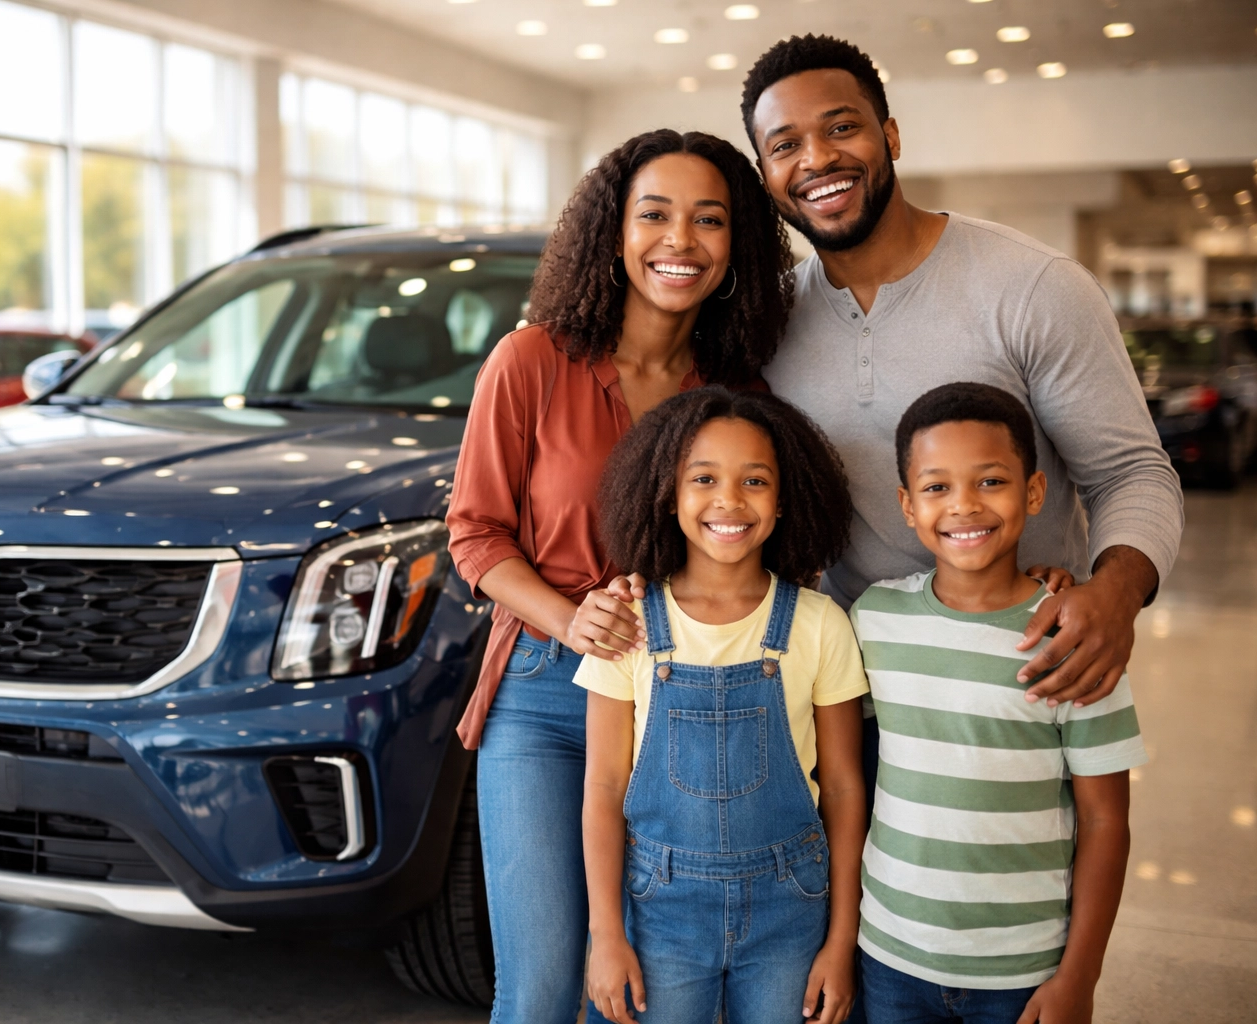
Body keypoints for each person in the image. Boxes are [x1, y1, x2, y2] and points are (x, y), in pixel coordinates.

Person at [445, 131, 794, 1023]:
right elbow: (476, 535)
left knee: (640, 989)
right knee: (543, 984)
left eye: (708, 220)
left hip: (686, 697)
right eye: (656, 215)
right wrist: (571, 621)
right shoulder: (530, 363)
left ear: (736, 245)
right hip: (547, 701)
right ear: (612, 231)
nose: (680, 240)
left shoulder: (736, 391)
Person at [737, 35, 1182, 713]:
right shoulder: (770, 321)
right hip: (850, 694)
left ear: (889, 135)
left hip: (1025, 680)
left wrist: (1113, 594)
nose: (818, 158)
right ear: (765, 172)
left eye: (842, 128)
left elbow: (1131, 473)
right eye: (785, 144)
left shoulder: (1034, 288)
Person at [851, 382, 1144, 1024]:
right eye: (936, 488)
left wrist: (1080, 977)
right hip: (889, 954)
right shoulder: (875, 619)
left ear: (1034, 492)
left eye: (990, 482)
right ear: (906, 504)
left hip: (1025, 970)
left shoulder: (1072, 639)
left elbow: (1105, 822)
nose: (963, 506)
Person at [580, 386, 869, 1024]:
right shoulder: (626, 621)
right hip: (660, 910)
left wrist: (841, 941)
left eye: (755, 480)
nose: (729, 500)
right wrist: (606, 935)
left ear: (786, 498)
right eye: (703, 477)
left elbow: (846, 790)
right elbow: (603, 786)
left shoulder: (820, 625)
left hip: (791, 906)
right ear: (668, 494)